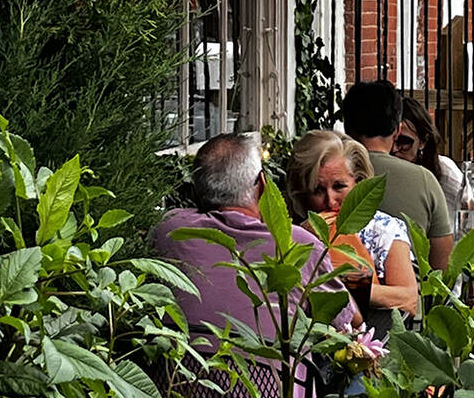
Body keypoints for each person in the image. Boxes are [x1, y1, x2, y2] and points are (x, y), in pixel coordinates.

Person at [152, 134, 359, 392]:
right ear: (262, 185)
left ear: (194, 192)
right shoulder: (299, 244)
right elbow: (349, 322)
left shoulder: (166, 231)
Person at [286, 130, 419, 335]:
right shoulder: (292, 233)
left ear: (359, 181)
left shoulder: (384, 229)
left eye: (339, 186)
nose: (330, 201)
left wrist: (342, 288)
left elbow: (409, 299)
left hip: (372, 344)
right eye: (318, 190)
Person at [339, 80, 455, 272]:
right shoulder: (423, 180)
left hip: (333, 294)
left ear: (347, 127)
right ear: (397, 130)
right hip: (406, 297)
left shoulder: (324, 176)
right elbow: (442, 268)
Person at [391, 98, 474, 247]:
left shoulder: (444, 171)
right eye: (391, 140)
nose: (394, 149)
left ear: (423, 142)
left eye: (404, 142)